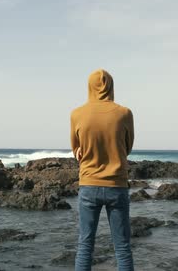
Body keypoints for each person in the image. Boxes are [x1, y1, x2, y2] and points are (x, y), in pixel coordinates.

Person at [70, 69, 135, 271]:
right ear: (111, 87)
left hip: (89, 185)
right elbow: (128, 147)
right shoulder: (124, 113)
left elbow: (76, 149)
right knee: (123, 247)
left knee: (85, 246)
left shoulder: (77, 114)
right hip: (117, 185)